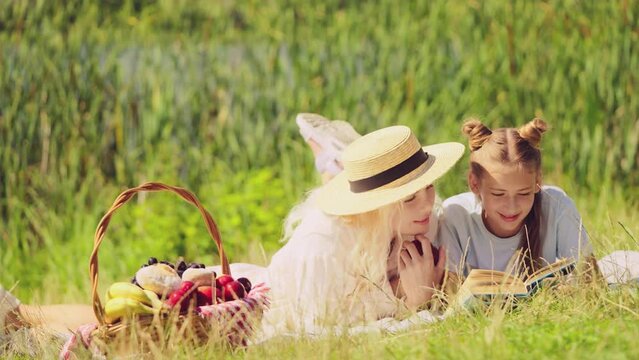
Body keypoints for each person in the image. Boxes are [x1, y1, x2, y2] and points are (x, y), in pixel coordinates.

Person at [1, 124, 465, 340]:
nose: (428, 205)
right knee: (126, 325)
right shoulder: (324, 246)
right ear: (377, 206)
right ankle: (19, 315)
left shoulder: (417, 227)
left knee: (128, 324)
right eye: (410, 197)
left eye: (429, 190)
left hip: (255, 290)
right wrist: (408, 303)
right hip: (246, 308)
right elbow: (316, 333)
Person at [437, 118, 595, 281]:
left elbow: (591, 279)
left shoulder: (557, 204)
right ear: (474, 184)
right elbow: (449, 292)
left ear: (538, 182)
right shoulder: (455, 215)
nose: (511, 207)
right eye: (498, 194)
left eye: (523, 193)